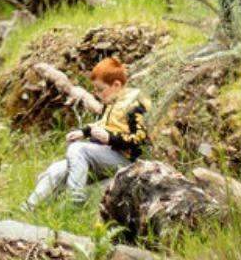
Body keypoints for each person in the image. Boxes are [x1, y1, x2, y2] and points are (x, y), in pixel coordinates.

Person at [23, 57, 148, 210]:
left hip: (123, 159)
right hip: (102, 155)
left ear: (116, 85)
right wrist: (84, 132)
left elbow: (140, 139)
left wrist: (111, 138)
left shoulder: (133, 106)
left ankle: (75, 197)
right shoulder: (111, 104)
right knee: (57, 169)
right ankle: (28, 208)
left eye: (100, 89)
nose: (97, 94)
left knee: (78, 149)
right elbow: (101, 125)